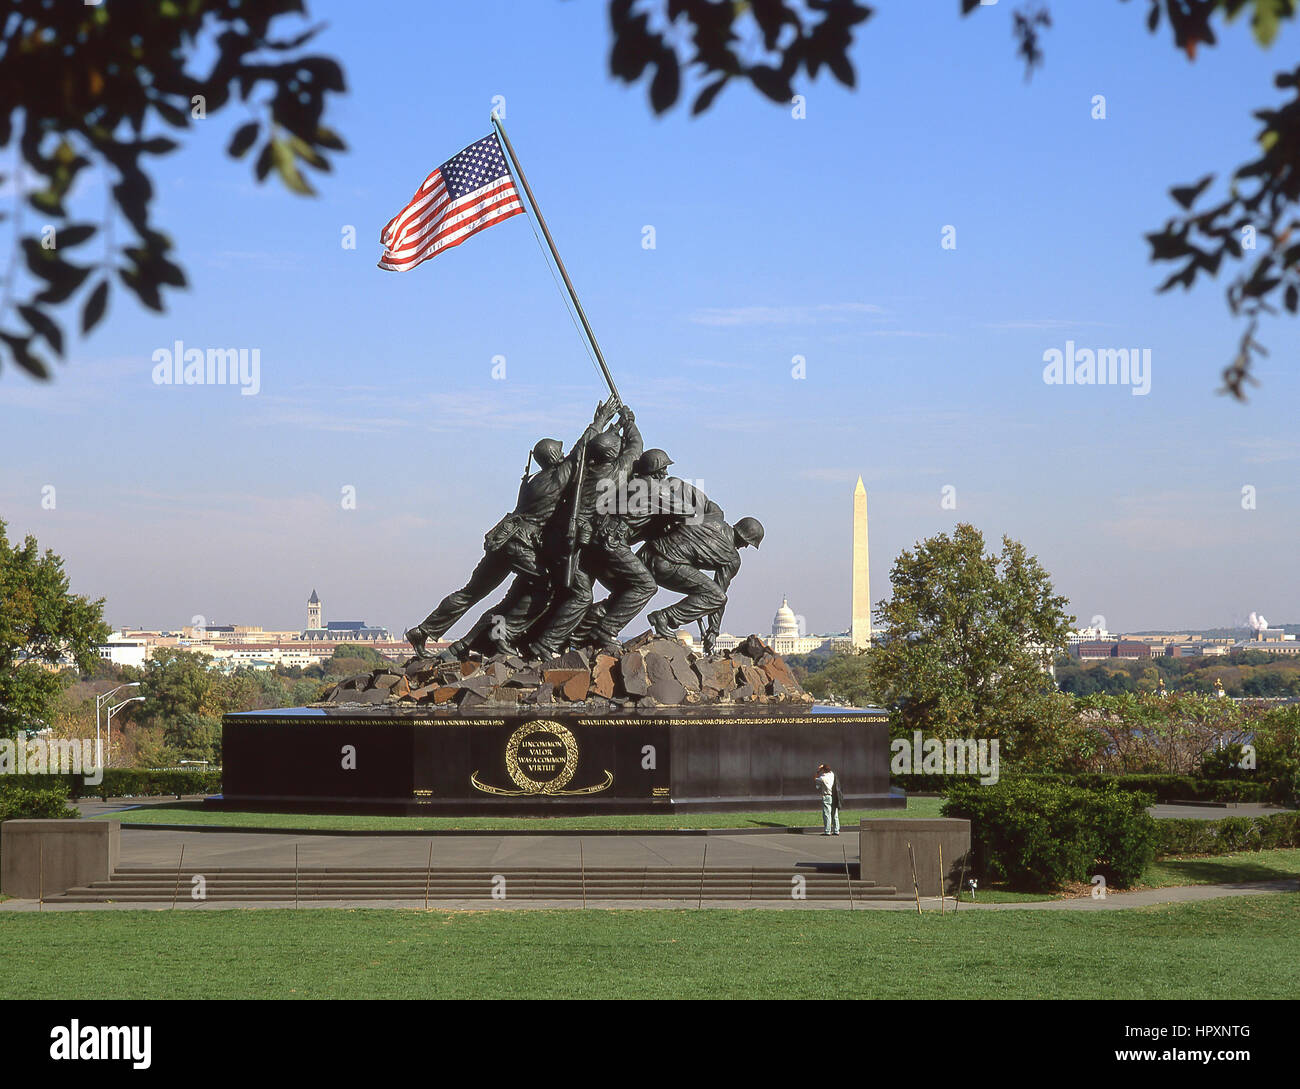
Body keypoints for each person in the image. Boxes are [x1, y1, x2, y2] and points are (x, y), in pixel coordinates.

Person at [405, 398, 617, 658]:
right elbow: (581, 451)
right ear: (554, 457)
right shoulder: (556, 477)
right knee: (546, 585)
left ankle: (423, 630)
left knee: (470, 593)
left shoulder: (531, 481)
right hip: (521, 543)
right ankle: (503, 635)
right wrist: (600, 421)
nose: (563, 456)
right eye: (559, 453)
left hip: (501, 539)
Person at [815, 764, 840, 836]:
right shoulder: (832, 774)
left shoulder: (823, 777)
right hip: (834, 796)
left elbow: (815, 780)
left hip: (826, 796)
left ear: (823, 770)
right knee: (835, 814)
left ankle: (827, 831)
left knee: (827, 814)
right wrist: (823, 767)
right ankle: (836, 830)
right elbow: (830, 771)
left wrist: (818, 771)